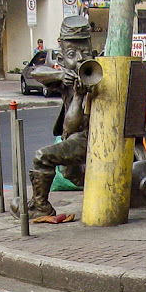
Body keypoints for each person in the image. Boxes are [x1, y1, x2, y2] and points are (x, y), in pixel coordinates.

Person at [11, 16, 95, 219]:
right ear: (61, 59)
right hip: (76, 142)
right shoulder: (66, 77)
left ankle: (40, 206)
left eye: (85, 53)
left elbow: (74, 128)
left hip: (91, 138)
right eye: (72, 54)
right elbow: (37, 72)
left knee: (42, 156)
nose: (80, 59)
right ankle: (37, 202)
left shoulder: (95, 74)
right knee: (70, 173)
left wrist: (80, 95)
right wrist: (60, 77)